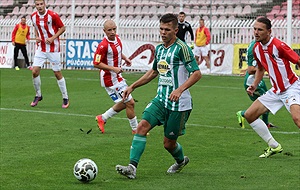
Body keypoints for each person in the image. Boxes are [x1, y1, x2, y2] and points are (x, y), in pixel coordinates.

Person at [115, 13, 201, 179]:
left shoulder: (182, 48)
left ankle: (181, 161)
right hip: (161, 99)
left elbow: (196, 73)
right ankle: (132, 168)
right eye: (161, 28)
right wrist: (132, 86)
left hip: (179, 103)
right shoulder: (160, 49)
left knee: (168, 144)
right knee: (141, 127)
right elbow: (154, 72)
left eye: (167, 29)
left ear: (175, 30)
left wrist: (180, 89)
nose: (163, 32)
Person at [245, 17, 300, 158]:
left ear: (269, 31)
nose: (256, 32)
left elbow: (298, 60)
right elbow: (261, 68)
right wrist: (254, 85)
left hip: (291, 88)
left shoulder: (279, 45)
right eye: (255, 29)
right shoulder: (256, 48)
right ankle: (274, 146)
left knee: (297, 119)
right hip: (276, 91)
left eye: (260, 30)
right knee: (249, 115)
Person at [93, 20, 138, 134]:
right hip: (109, 79)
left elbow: (117, 52)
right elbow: (96, 63)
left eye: (114, 29)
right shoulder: (103, 46)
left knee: (126, 102)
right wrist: (113, 69)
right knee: (130, 102)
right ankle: (136, 130)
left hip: (117, 76)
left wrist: (125, 58)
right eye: (109, 30)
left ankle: (102, 118)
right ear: (104, 31)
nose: (113, 32)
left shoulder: (117, 38)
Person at [30, 0, 69, 108]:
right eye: (37, 5)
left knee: (57, 73)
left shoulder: (53, 15)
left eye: (41, 4)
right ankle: (38, 95)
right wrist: (37, 36)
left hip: (53, 49)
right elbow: (36, 27)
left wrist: (52, 38)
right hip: (41, 49)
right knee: (34, 71)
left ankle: (65, 97)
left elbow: (63, 28)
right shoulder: (33, 16)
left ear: (45, 4)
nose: (39, 6)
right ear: (35, 6)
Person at [236, 40, 278, 129]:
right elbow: (252, 69)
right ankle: (243, 113)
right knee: (266, 103)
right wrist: (268, 67)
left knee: (267, 102)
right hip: (252, 81)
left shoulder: (257, 44)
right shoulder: (255, 47)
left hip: (258, 80)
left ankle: (266, 123)